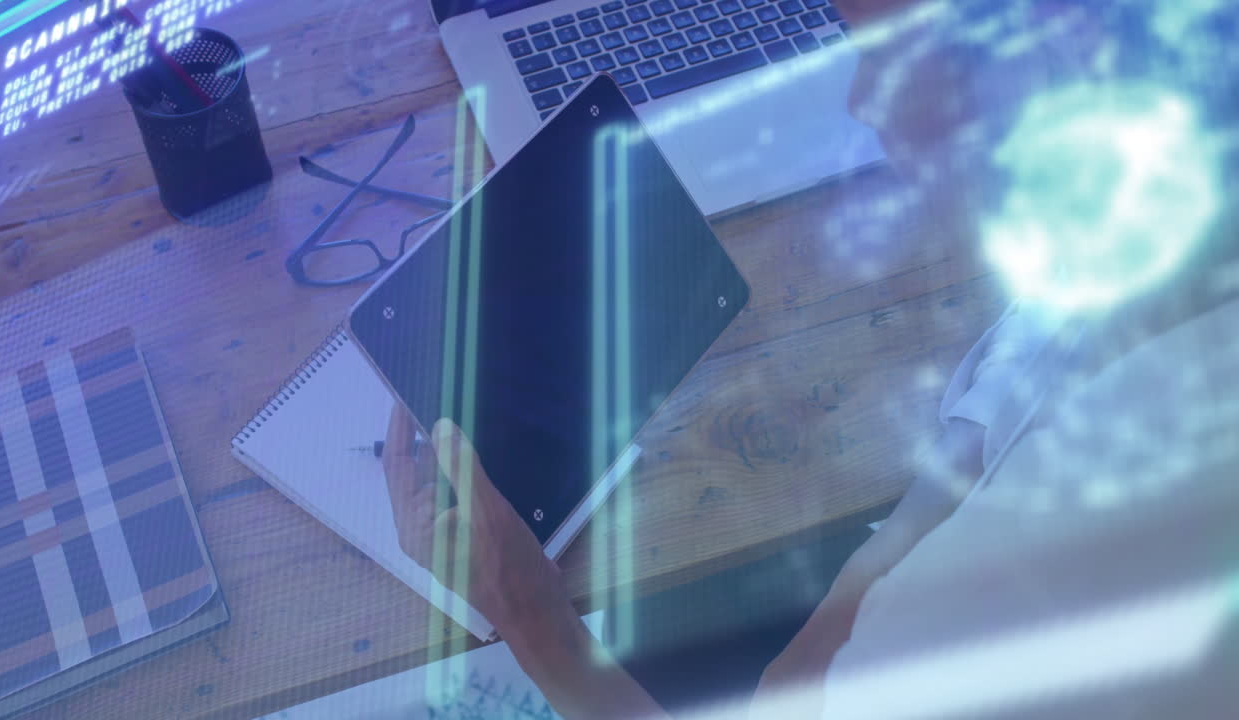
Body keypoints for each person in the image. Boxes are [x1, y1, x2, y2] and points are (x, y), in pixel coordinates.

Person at [381, 1, 1239, 717]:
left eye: (881, 54)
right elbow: (1040, 350)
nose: (860, 102)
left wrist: (537, 626)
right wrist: (844, 609)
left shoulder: (1074, 556)